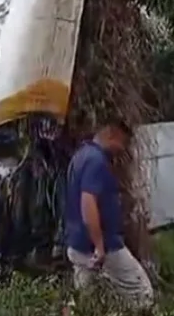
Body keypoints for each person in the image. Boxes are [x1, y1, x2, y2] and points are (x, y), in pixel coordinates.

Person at [64, 118, 154, 311]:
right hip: (103, 247)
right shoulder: (96, 161)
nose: (122, 148)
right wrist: (100, 246)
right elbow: (88, 203)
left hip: (77, 245)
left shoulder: (80, 156)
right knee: (142, 292)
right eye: (122, 142)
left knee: (85, 301)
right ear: (111, 134)